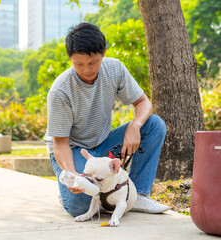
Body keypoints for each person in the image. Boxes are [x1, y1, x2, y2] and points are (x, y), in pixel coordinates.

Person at [44, 22, 169, 217]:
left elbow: (143, 102)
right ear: (70, 59)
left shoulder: (114, 69)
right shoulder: (60, 90)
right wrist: (72, 174)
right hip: (74, 149)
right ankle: (67, 193)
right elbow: (60, 144)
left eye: (92, 62)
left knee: (154, 125)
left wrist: (135, 126)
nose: (86, 70)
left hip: (103, 143)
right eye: (78, 63)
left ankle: (138, 194)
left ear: (103, 51)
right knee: (81, 207)